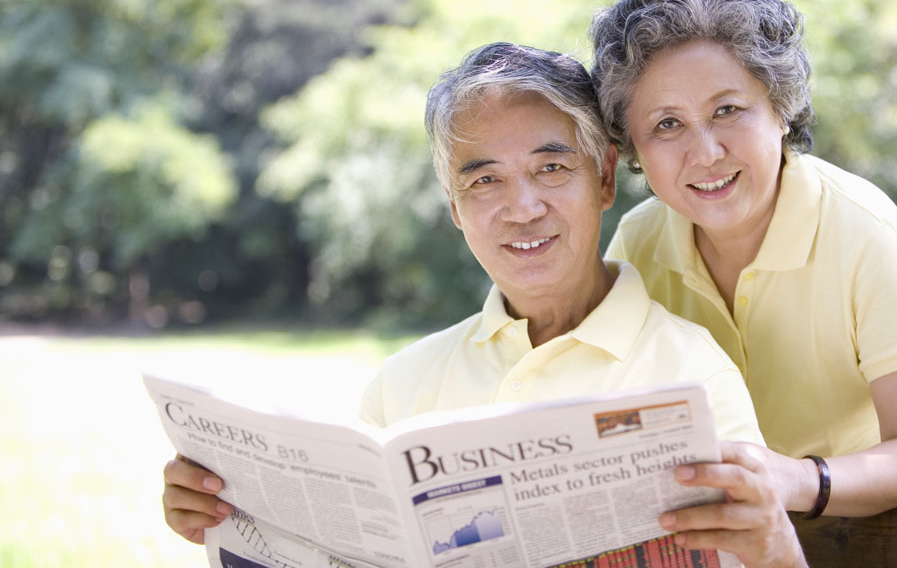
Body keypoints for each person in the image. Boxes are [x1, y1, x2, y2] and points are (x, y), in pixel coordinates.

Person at [163, 41, 807, 567]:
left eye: (552, 169)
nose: (522, 208)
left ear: (605, 178)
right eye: (484, 180)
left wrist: (777, 546)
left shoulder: (693, 377)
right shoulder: (401, 386)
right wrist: (226, 509)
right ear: (454, 208)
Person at [589, 0, 897, 546]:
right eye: (667, 125)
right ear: (633, 147)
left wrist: (793, 479)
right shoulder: (637, 246)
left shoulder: (864, 231)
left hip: (885, 543)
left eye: (728, 110)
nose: (707, 152)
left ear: (781, 107)